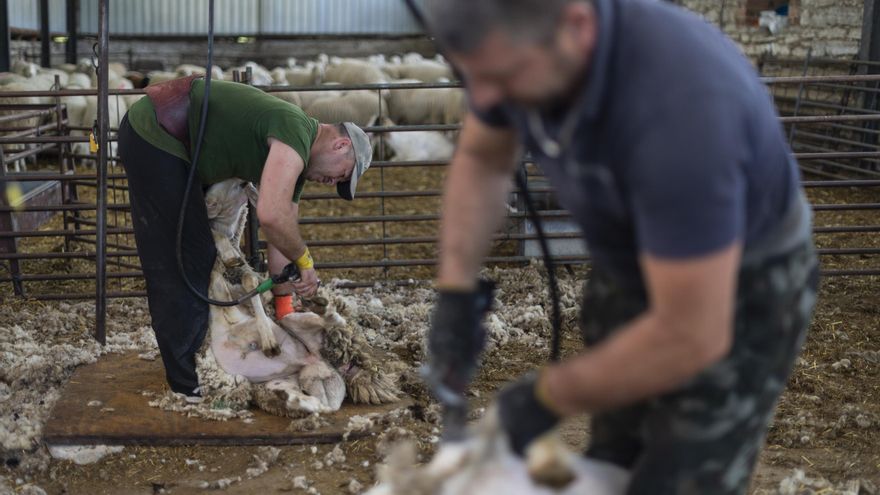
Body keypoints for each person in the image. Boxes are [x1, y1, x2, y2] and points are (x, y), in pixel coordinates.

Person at [420, 0, 819, 492]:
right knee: (616, 452)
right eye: (471, 76)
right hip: (626, 256)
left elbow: (691, 333)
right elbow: (483, 156)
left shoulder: (682, 109)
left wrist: (544, 396)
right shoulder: (515, 52)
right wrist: (456, 290)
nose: (485, 97)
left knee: (682, 474)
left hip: (737, 280)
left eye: (503, 78)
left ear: (578, 27)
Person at [118, 76, 373, 398]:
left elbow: (279, 232)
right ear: (341, 145)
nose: (333, 181)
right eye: (343, 174)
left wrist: (284, 307)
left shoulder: (296, 161)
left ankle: (197, 361)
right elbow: (270, 215)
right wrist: (305, 260)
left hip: (176, 149)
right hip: (156, 135)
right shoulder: (295, 129)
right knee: (182, 261)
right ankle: (187, 384)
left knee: (198, 257)